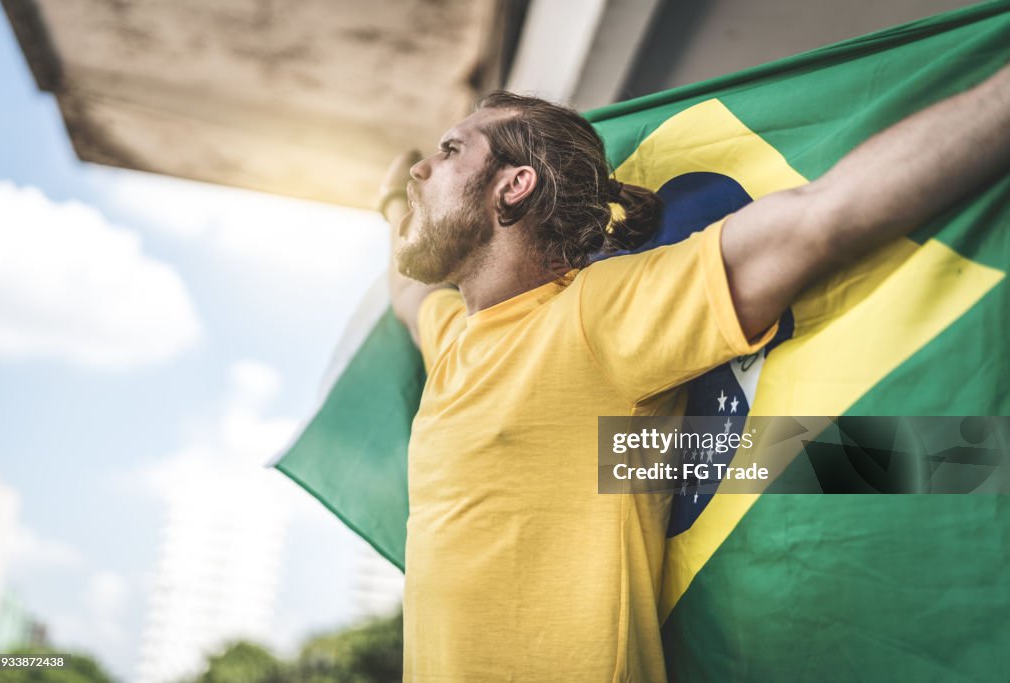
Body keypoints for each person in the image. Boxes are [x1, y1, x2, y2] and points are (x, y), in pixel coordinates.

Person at [377, 69, 1010, 681]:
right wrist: (387, 207)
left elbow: (824, 215)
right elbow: (405, 295)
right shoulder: (455, 339)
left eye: (450, 151)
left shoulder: (594, 318)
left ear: (512, 186)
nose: (420, 170)